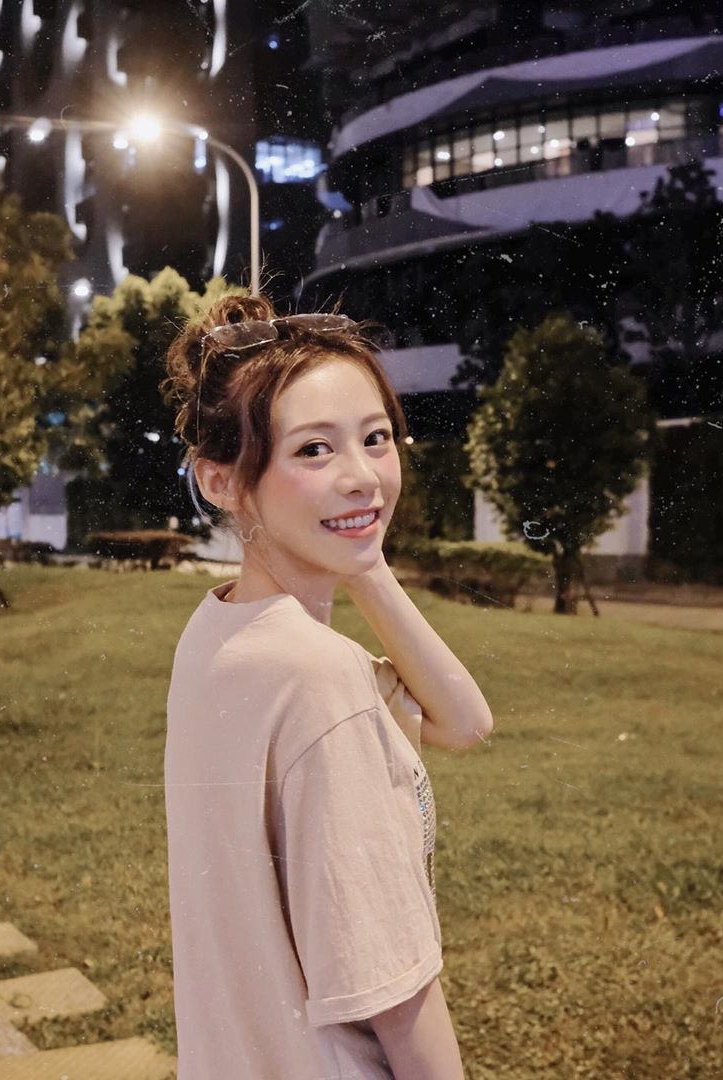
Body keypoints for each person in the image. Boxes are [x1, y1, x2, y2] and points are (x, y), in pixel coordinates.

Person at [160, 293, 494, 1079]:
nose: (363, 477)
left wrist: (359, 558)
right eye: (314, 450)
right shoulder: (319, 677)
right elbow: (397, 998)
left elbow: (464, 721)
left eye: (376, 439)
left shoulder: (219, 632)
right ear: (221, 480)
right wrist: (352, 544)